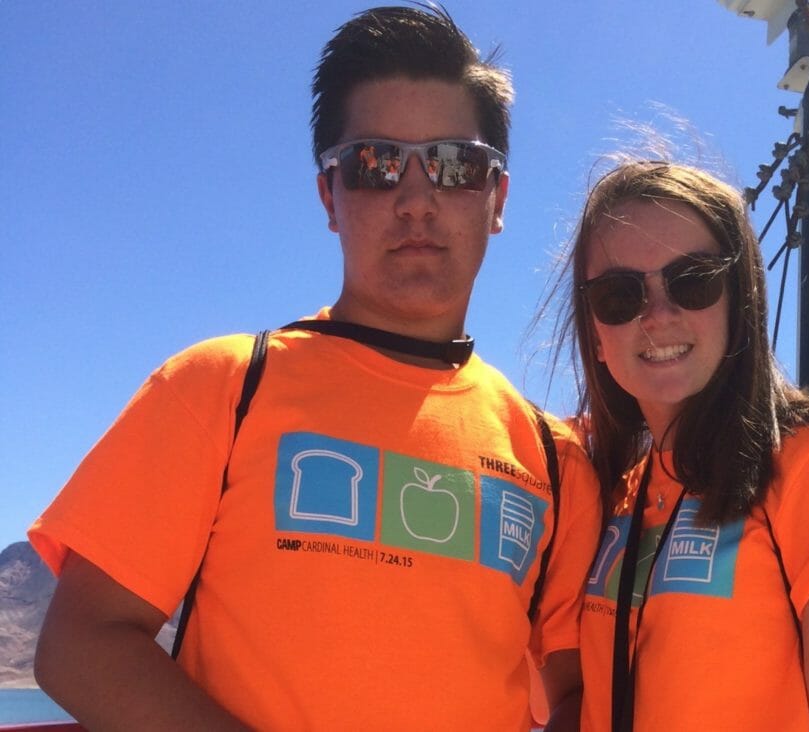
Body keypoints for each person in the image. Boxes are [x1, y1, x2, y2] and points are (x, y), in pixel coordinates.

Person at [28, 6, 601, 731]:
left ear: (497, 199)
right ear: (330, 195)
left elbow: (575, 694)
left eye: (455, 165)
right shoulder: (223, 387)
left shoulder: (555, 460)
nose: (417, 199)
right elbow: (81, 644)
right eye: (376, 164)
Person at [552, 159, 809, 730]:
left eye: (693, 280)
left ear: (739, 300)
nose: (658, 316)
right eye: (620, 296)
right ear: (596, 335)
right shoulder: (612, 487)